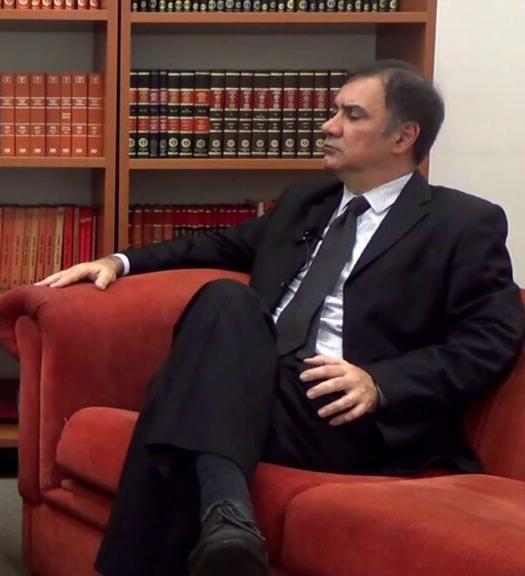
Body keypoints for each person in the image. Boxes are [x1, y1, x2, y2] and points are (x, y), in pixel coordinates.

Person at [37, 60, 525, 576]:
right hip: (258, 381)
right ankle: (228, 520)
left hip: (344, 410)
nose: (328, 126)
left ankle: (185, 537)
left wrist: (381, 382)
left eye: (352, 115)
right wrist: (118, 262)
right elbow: (217, 245)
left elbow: (492, 337)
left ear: (404, 136)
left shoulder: (461, 223)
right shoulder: (305, 204)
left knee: (178, 392)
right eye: (334, 111)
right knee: (226, 300)